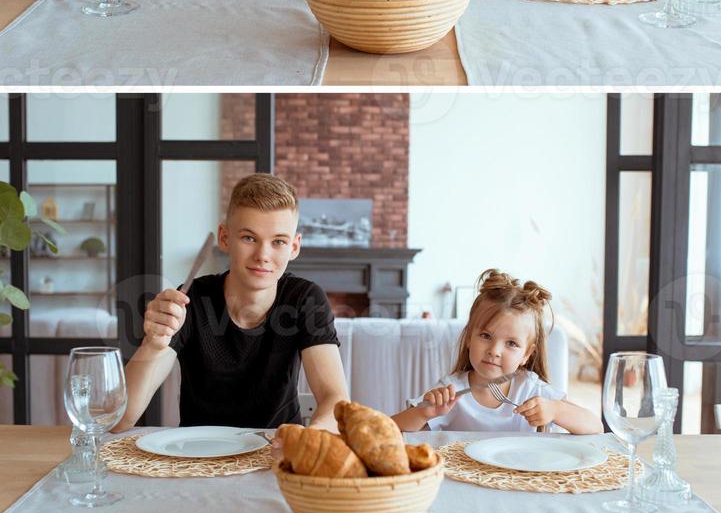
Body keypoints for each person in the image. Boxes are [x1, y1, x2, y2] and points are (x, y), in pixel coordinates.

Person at [114, 173, 348, 432]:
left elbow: (334, 400)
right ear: (225, 237)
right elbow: (120, 421)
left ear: (294, 247)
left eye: (278, 242)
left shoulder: (304, 298)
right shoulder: (191, 300)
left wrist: (307, 440)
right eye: (249, 238)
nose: (263, 256)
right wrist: (154, 345)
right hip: (198, 458)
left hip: (276, 456)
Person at [392, 268, 602, 435]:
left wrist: (556, 410)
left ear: (527, 355)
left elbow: (595, 427)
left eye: (511, 343)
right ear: (469, 339)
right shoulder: (452, 391)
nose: (494, 351)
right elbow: (391, 428)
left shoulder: (529, 389)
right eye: (485, 336)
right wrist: (424, 413)